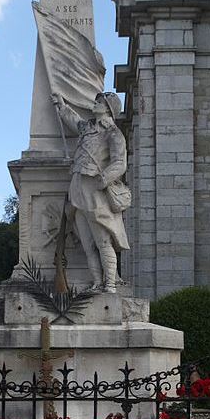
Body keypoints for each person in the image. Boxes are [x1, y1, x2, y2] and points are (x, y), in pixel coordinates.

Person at [51, 90, 130, 293]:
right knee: (87, 243)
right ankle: (97, 282)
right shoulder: (87, 128)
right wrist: (61, 105)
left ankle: (110, 284)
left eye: (99, 102)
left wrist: (103, 179)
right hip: (77, 188)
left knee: (103, 241)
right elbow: (74, 121)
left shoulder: (113, 133)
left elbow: (119, 163)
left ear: (108, 109)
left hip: (95, 191)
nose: (95, 104)